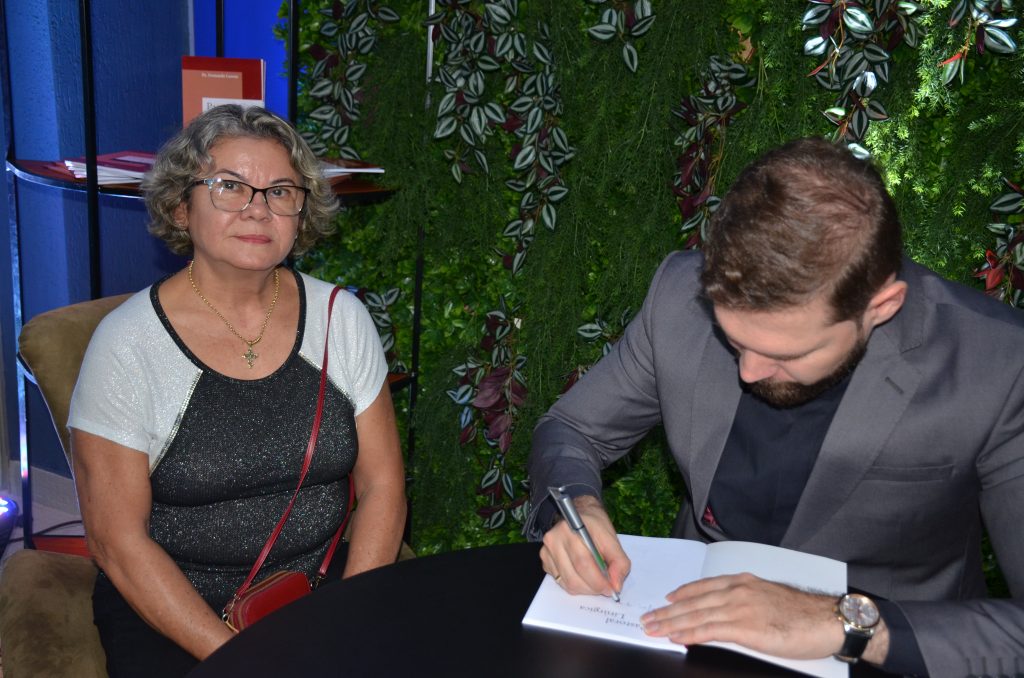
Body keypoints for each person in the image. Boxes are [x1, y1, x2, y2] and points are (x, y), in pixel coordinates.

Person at [526, 137, 1024, 676]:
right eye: (734, 339)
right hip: (686, 640)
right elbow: (573, 429)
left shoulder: (997, 365)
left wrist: (847, 625)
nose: (749, 372)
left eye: (787, 352)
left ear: (881, 307)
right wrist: (576, 506)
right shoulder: (677, 297)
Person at [68, 105, 407, 676]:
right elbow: (116, 541)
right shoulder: (126, 346)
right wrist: (242, 660)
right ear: (181, 205)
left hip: (319, 588)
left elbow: (383, 485)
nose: (258, 209)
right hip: (176, 613)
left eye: (280, 191)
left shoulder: (340, 318)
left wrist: (352, 616)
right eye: (229, 186)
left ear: (301, 212)